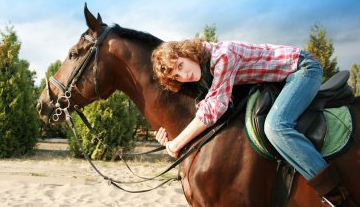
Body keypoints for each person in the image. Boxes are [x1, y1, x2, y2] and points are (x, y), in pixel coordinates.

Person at [151, 39, 354, 207]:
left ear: (187, 53)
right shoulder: (206, 69)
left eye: (180, 65)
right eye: (177, 76)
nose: (184, 75)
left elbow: (215, 108)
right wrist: (169, 139)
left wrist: (176, 144)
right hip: (284, 79)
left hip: (302, 69)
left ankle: (334, 194)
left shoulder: (222, 55)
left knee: (276, 127)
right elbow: (206, 106)